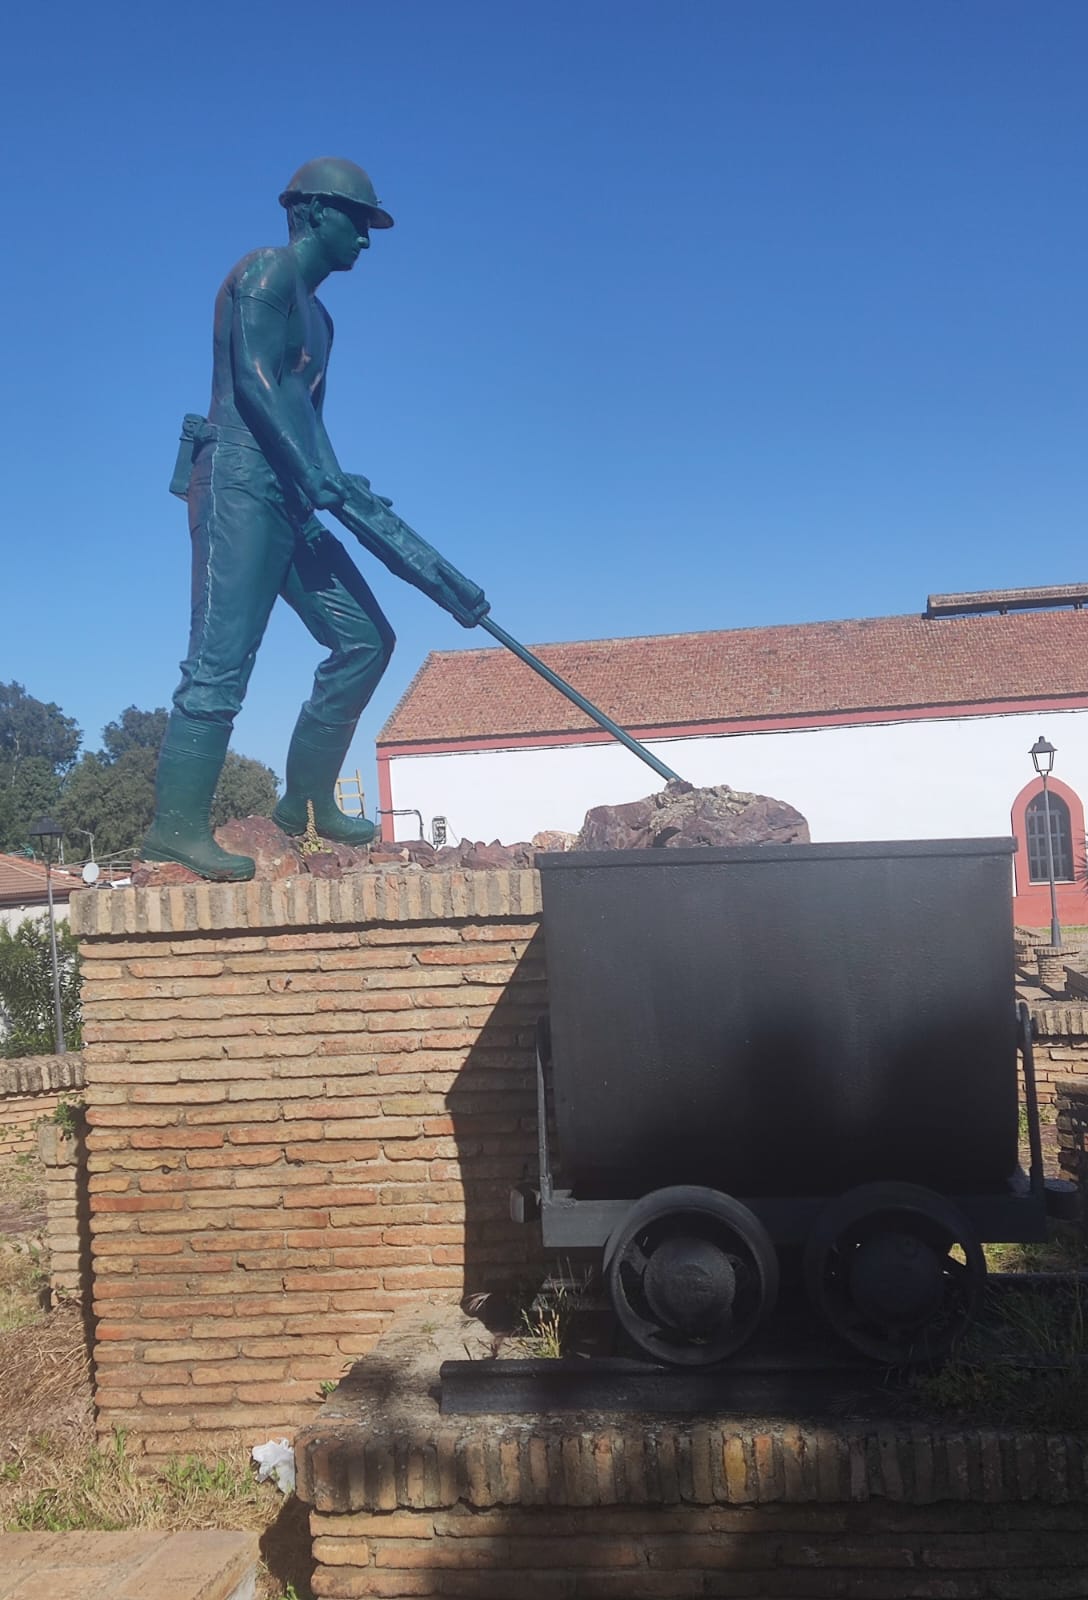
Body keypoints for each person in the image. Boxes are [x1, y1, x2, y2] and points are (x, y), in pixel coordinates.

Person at [143, 158, 398, 881]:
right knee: (221, 660)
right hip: (238, 479)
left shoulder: (324, 320)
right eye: (358, 221)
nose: (366, 239)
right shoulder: (265, 272)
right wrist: (313, 476)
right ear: (312, 212)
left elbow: (308, 420)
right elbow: (255, 386)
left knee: (366, 639)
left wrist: (338, 483)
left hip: (290, 490)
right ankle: (175, 829)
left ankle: (306, 803)